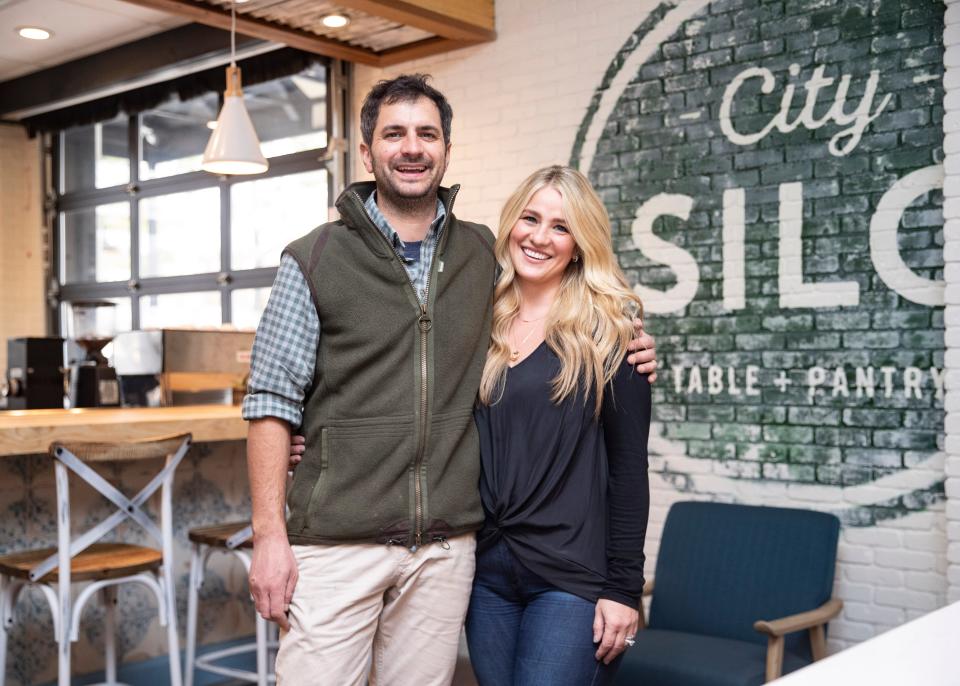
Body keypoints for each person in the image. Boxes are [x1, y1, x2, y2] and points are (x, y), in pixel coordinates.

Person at [244, 74, 657, 686]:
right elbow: (271, 400)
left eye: (426, 134)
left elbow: (621, 459)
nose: (412, 147)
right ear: (367, 152)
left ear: (445, 150)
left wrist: (634, 341)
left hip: (445, 553)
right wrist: (270, 531)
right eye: (394, 133)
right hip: (342, 545)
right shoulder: (316, 258)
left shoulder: (481, 260)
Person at [465, 165, 650, 685]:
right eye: (530, 218)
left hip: (572, 579)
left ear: (579, 244)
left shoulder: (610, 331)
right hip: (488, 573)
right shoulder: (481, 321)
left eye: (560, 227)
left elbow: (630, 470)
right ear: (511, 224)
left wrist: (623, 588)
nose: (540, 237)